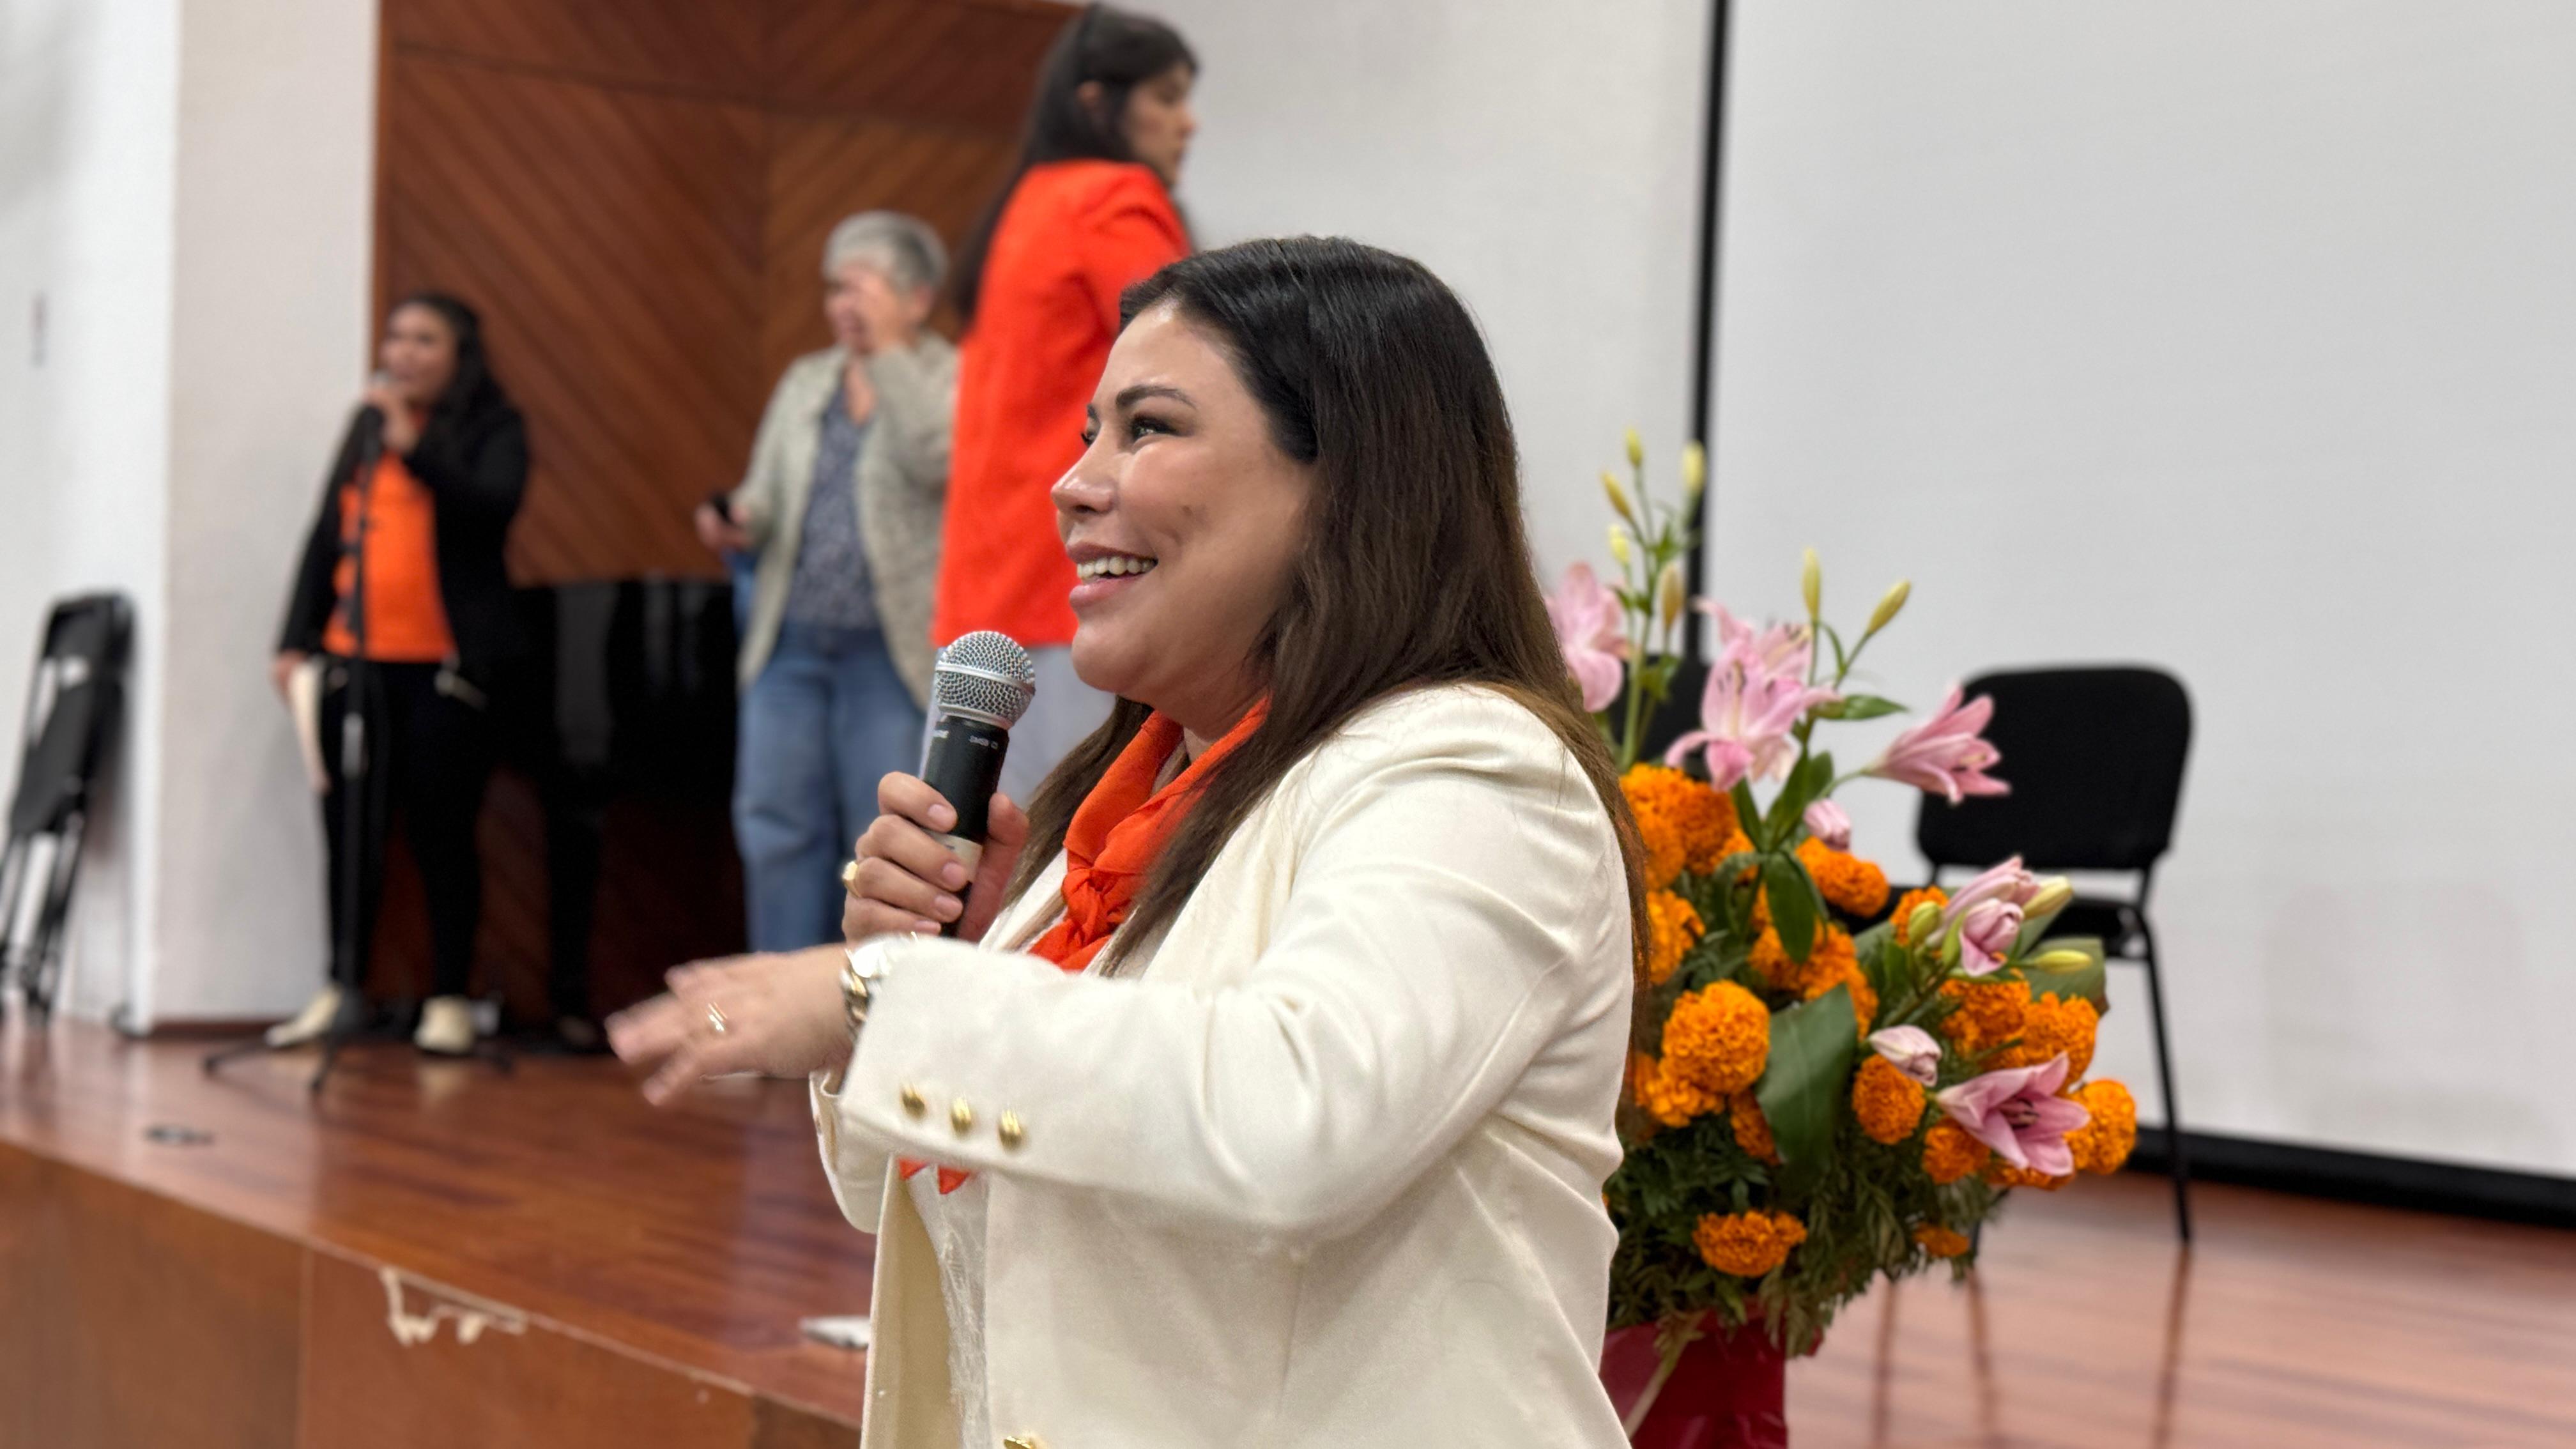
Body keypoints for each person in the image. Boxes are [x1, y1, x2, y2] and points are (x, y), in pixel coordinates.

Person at [612, 238, 1647, 1447]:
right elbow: (951, 1197)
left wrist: (885, 994)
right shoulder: (1120, 810)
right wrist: (952, 966)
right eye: (1087, 433)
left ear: (1349, 481)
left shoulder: (1472, 768)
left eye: (1148, 429)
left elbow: (1296, 1116)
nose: (1073, 485)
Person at [933, 3, 1196, 801]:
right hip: (1077, 577)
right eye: (1167, 97)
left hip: (985, 595)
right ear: (1096, 103)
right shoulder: (1112, 198)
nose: (1187, 123)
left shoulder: (1027, 202)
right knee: (1071, 856)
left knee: (966, 847)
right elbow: (1196, 362)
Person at [694, 213, 958, 953]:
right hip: (790, 647)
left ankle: (865, 1006)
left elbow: (939, 461)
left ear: (916, 298)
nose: (843, 303)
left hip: (891, 654)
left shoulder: (948, 375)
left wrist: (890, 357)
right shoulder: (808, 379)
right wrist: (741, 520)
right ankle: (781, 999)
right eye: (836, 287)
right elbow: (767, 494)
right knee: (774, 827)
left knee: (882, 841)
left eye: (862, 286)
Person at [271, 293, 526, 1055]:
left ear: (459, 355)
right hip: (354, 665)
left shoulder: (492, 429)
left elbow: (491, 511)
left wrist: (414, 445)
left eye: (425, 340)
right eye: (397, 338)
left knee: (443, 832)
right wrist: (294, 639)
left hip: (445, 671)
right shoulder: (366, 427)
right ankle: (341, 986)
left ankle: (448, 998)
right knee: (350, 831)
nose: (404, 353)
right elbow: (327, 534)